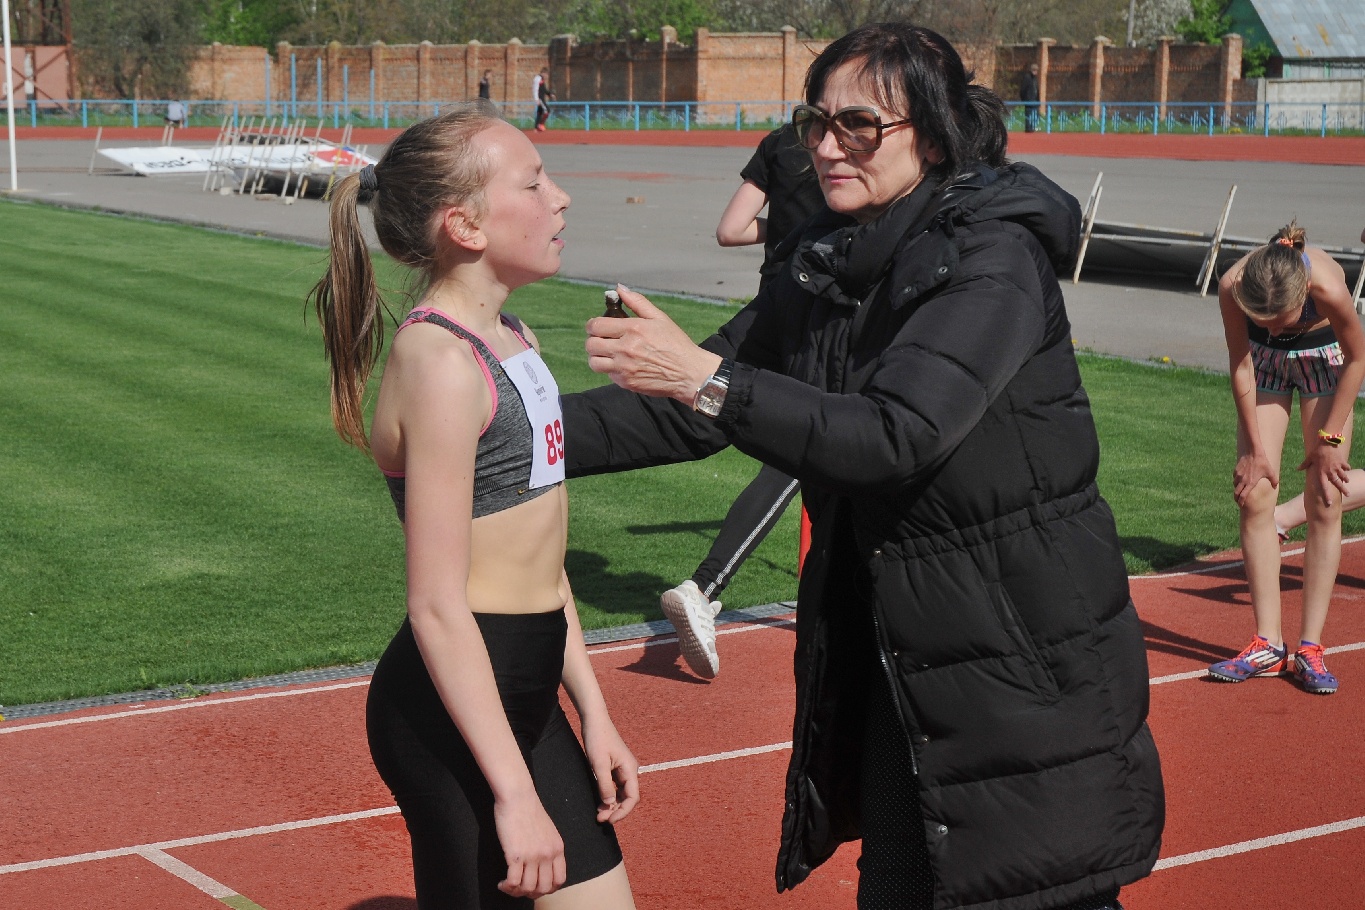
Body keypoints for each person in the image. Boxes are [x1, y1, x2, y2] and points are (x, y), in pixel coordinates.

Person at [564, 22, 1161, 910]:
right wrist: (504, 427)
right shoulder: (830, 259)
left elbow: (894, 435)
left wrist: (701, 378)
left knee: (1031, 891)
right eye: (815, 122)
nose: (826, 145)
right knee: (896, 886)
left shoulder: (992, 258)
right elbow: (695, 407)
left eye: (858, 126)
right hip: (906, 655)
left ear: (934, 135)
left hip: (1020, 661)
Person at [310, 104, 639, 909]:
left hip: (528, 691)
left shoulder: (515, 338)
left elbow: (543, 559)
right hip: (450, 709)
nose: (559, 198)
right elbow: (434, 604)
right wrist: (514, 794)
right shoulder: (440, 362)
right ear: (464, 225)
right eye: (533, 183)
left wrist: (592, 711)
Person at [660, 122, 824, 679]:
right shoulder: (861, 148)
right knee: (803, 456)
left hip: (768, 310)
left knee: (794, 450)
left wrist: (785, 228)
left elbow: (730, 230)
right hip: (822, 315)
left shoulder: (781, 142)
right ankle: (704, 587)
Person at [1209, 220, 1362, 695]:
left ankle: (1310, 648)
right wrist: (1256, 449)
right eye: (1264, 320)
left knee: (1326, 497)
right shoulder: (1233, 285)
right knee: (1254, 494)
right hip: (1265, 367)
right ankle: (1267, 645)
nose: (1274, 328)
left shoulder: (1328, 287)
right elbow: (1240, 362)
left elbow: (1358, 359)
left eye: (1282, 320)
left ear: (1303, 297)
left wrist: (1329, 440)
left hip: (1326, 364)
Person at [1020, 63, 1040, 132]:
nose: (1035, 71)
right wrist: (1024, 99)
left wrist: (1038, 100)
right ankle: (1028, 129)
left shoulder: (1035, 79)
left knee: (1037, 115)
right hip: (1028, 100)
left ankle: (1032, 127)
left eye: (1036, 70)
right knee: (1028, 116)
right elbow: (1023, 89)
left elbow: (1037, 90)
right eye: (1034, 70)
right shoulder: (1027, 77)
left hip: (1035, 100)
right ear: (1031, 70)